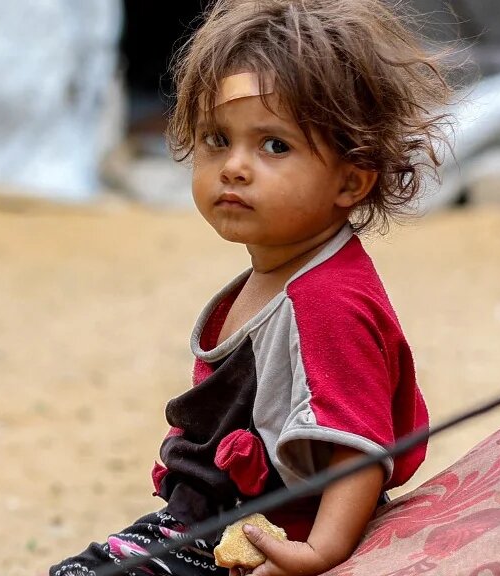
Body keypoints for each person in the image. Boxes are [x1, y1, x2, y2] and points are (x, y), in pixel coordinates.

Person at [49, 0, 452, 574]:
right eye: (216, 139)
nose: (235, 166)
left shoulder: (326, 300)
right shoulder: (280, 273)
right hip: (214, 519)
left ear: (350, 180)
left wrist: (319, 552)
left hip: (270, 531)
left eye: (274, 146)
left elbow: (360, 446)